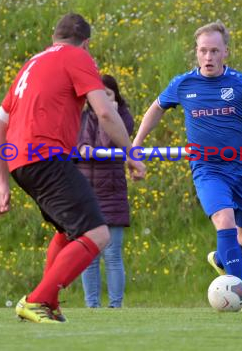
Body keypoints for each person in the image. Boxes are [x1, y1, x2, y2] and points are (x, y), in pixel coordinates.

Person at [0, 13, 145, 324]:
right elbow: (104, 112)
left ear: (53, 36)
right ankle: (37, 300)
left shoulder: (31, 65)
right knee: (98, 234)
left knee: (67, 231)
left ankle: (49, 302)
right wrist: (130, 152)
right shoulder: (78, 57)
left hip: (21, 160)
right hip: (45, 156)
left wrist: (0, 180)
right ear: (86, 43)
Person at [133, 20, 242, 312]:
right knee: (224, 220)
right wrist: (137, 141)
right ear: (196, 52)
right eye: (203, 51)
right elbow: (156, 108)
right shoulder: (183, 84)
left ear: (225, 53)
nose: (208, 57)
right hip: (207, 168)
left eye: (214, 51)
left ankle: (221, 259)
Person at [77, 75, 133, 308]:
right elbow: (77, 144)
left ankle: (115, 306)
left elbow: (108, 145)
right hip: (86, 193)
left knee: (112, 255)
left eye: (108, 95)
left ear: (116, 96)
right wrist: (82, 148)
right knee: (88, 256)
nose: (103, 100)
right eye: (99, 95)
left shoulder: (123, 118)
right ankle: (92, 306)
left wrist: (108, 117)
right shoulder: (81, 118)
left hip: (113, 193)